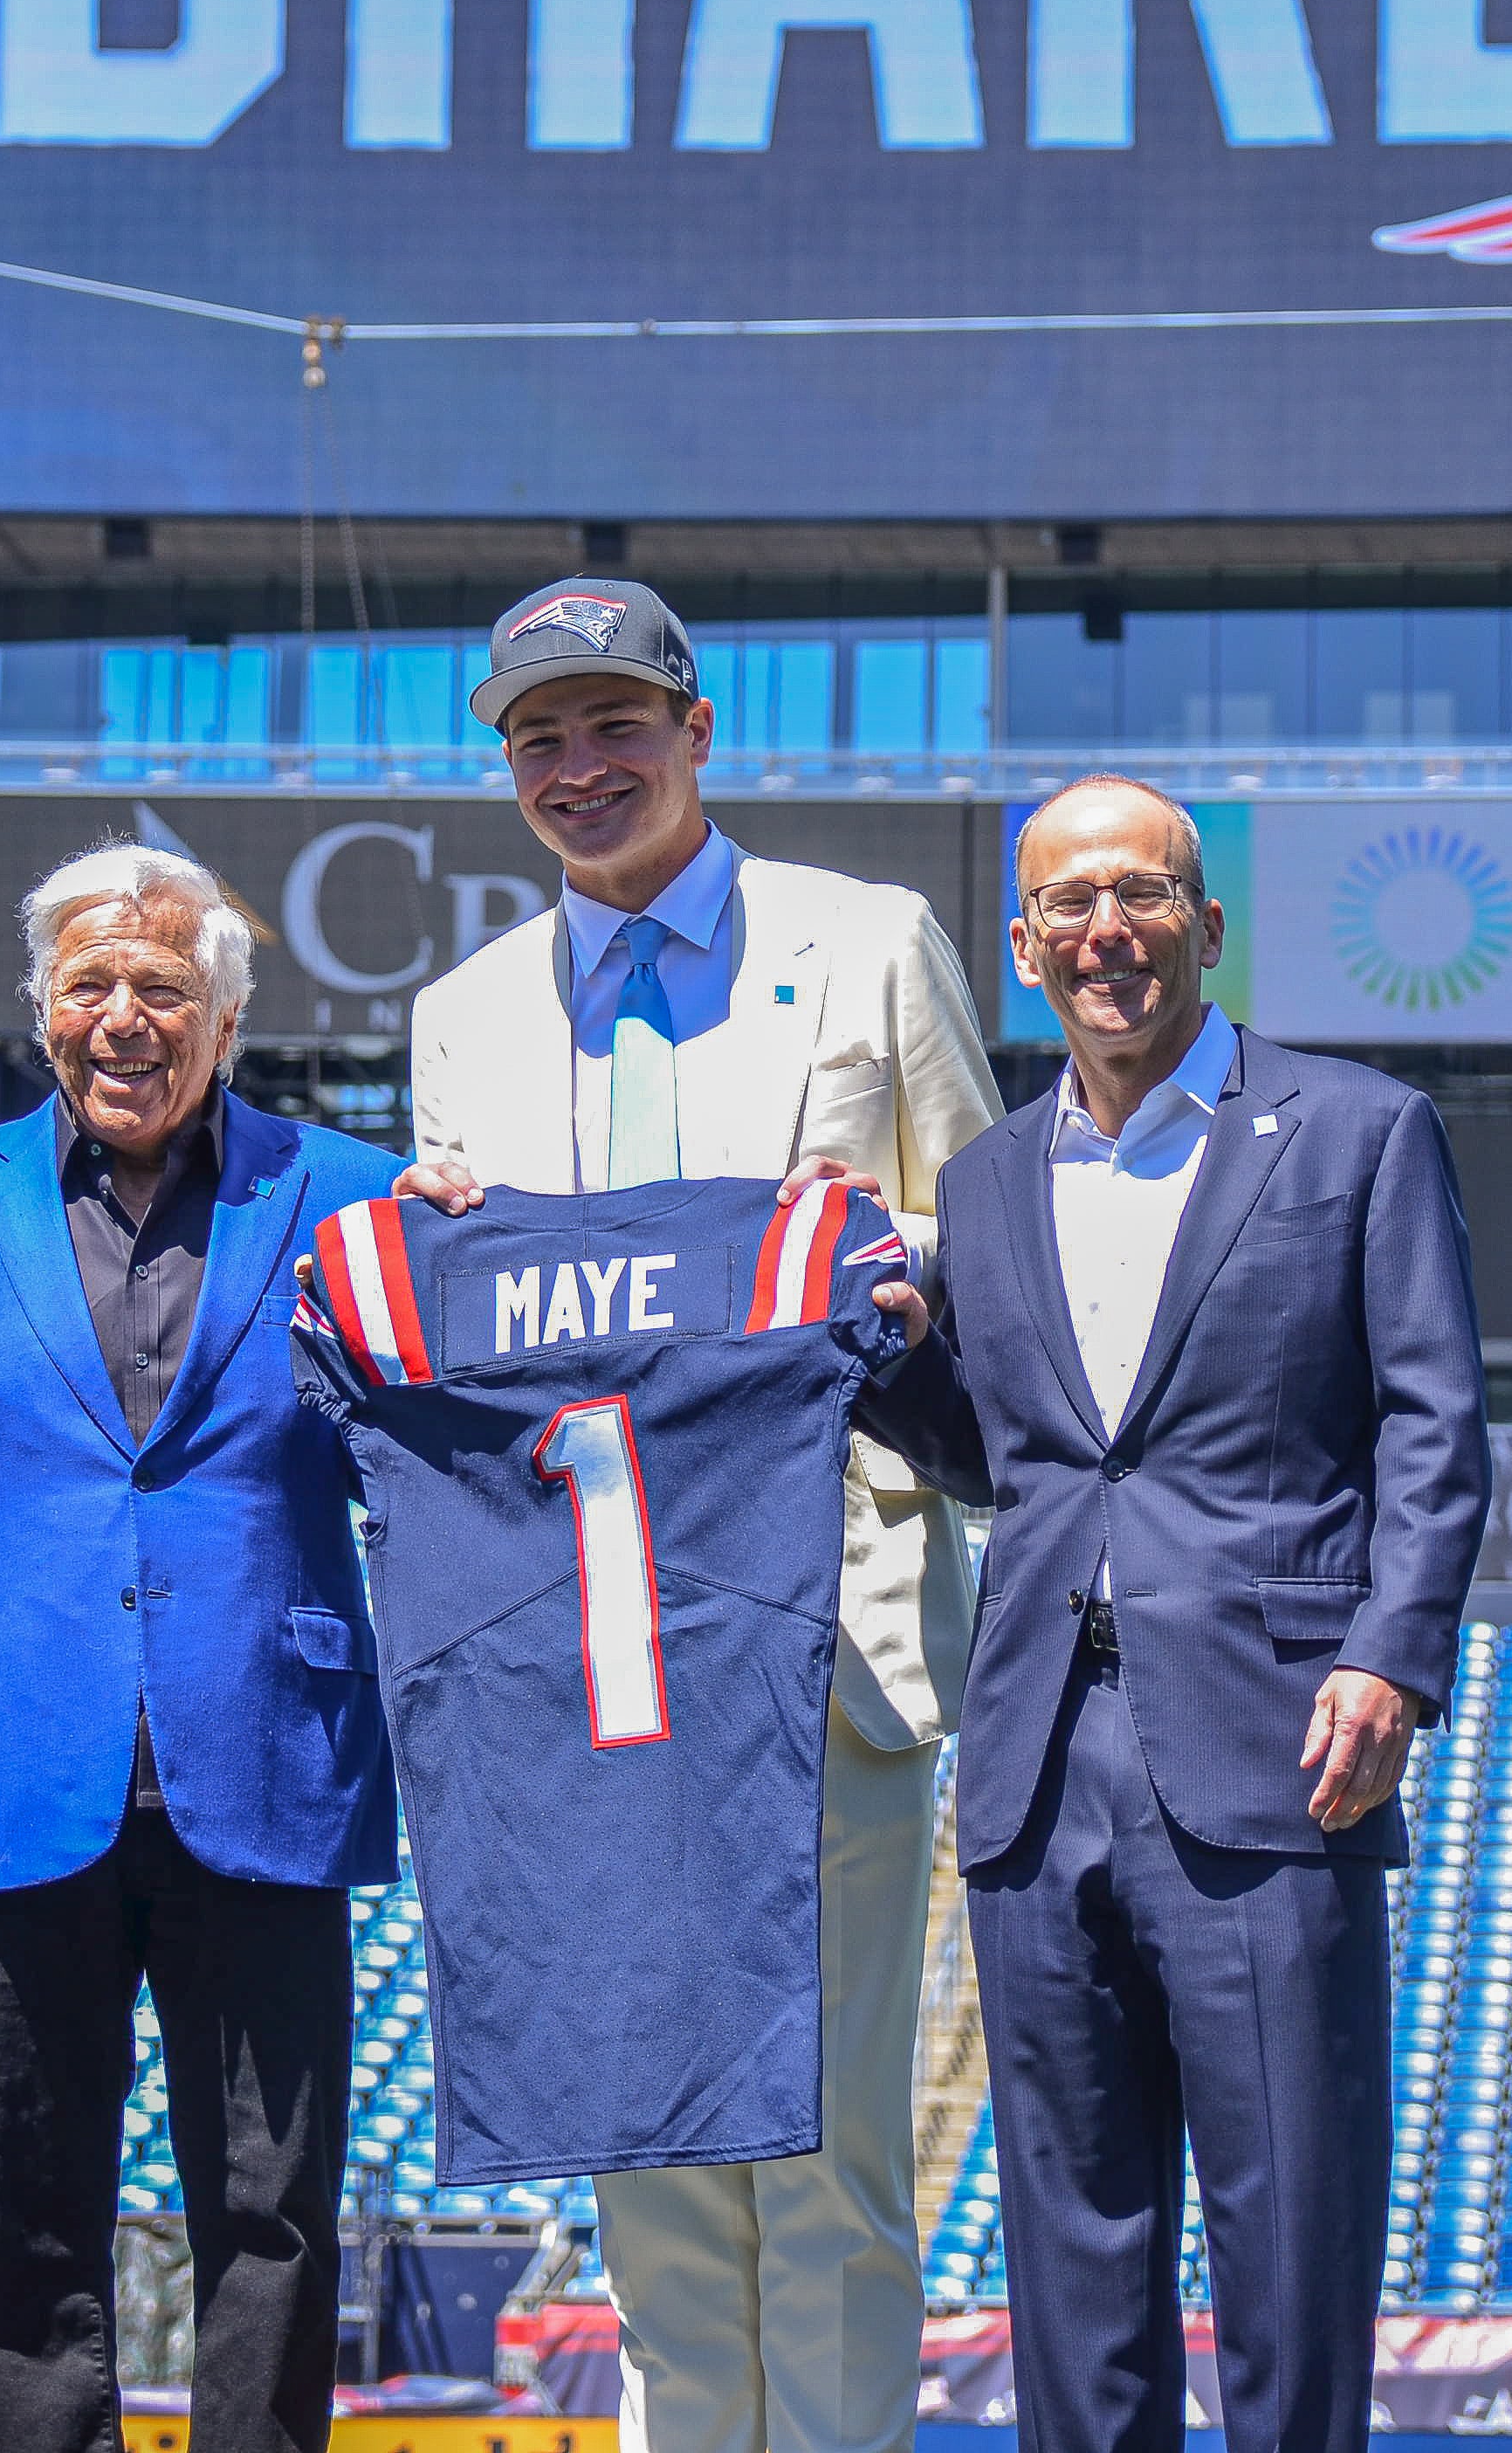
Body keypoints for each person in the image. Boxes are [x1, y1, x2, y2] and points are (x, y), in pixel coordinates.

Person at [401, 576, 1000, 2453]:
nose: (580, 768)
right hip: (590, 1660)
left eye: (611, 725)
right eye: (538, 738)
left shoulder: (869, 940)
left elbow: (994, 1250)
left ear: (696, 731)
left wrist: (894, 1278)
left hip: (827, 1630)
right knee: (644, 2160)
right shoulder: (463, 1014)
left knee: (826, 2162)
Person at [856, 775, 1488, 2453]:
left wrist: (1391, 1659)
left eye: (1140, 897)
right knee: (1073, 2254)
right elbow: (1018, 1457)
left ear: (1206, 928)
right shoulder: (987, 1179)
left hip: (1276, 1752)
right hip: (1036, 1762)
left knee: (1289, 2245)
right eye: (1068, 907)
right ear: (1023, 947)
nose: (1106, 934)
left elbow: (1434, 1420)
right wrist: (875, 1363)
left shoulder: (1357, 1131)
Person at [0, 843, 406, 2453]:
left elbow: (435, 1445)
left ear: (225, 1016)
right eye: (90, 986)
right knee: (26, 2210)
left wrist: (471, 1247)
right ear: (40, 1010)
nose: (124, 1018)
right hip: (13, 1762)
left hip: (267, 1756)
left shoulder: (353, 1195)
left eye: (163, 988)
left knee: (273, 2216)